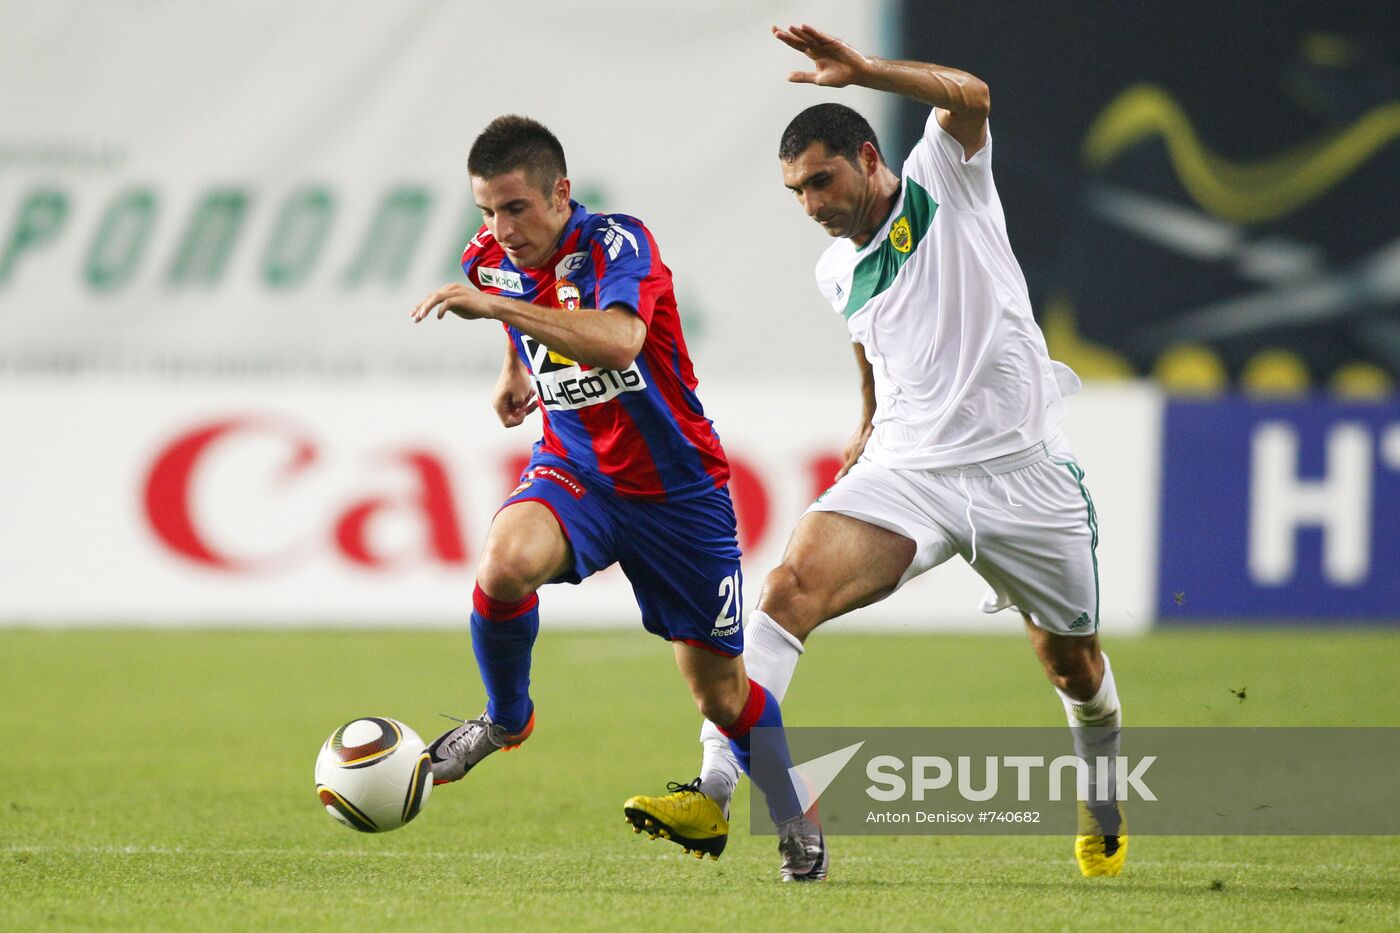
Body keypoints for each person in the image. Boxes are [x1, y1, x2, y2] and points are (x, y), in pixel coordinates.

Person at [624, 24, 1127, 880]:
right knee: (782, 592)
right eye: (795, 191)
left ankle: (1105, 793)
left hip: (1024, 474)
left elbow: (970, 95)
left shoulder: (943, 183)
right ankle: (712, 790)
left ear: (866, 156)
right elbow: (873, 338)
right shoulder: (834, 269)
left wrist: (865, 72)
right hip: (910, 473)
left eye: (821, 179)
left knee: (1070, 661)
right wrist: (865, 418)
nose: (812, 202)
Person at [410, 115, 824, 882]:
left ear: (560, 192)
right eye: (486, 211)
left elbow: (620, 339)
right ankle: (505, 717)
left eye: (515, 208)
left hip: (677, 494)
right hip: (580, 474)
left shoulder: (616, 243)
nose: (499, 229)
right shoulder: (492, 262)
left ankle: (793, 809)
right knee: (504, 563)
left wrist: (502, 314)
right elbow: (519, 304)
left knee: (721, 696)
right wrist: (515, 369)